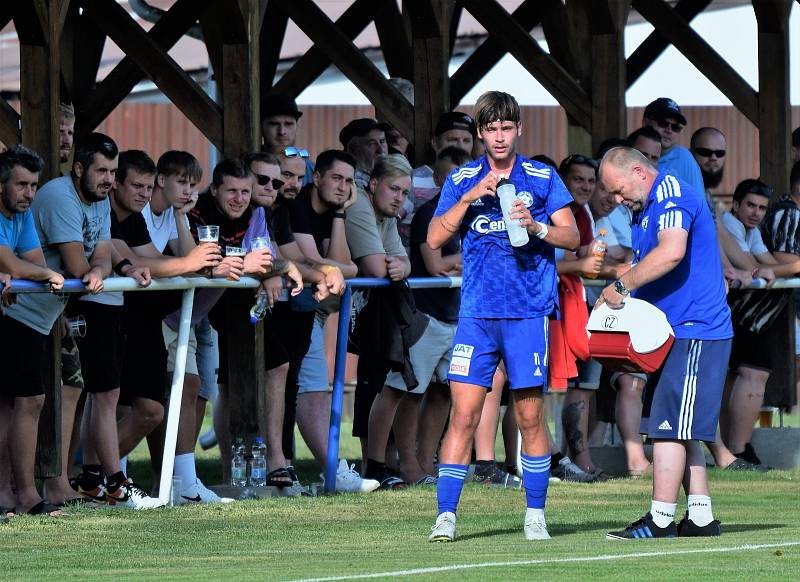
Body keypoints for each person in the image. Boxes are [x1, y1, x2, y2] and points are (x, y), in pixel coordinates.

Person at [427, 91, 579, 542]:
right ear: (479, 133)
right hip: (477, 315)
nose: (498, 137)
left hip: (527, 312)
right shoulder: (462, 178)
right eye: (490, 129)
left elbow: (572, 238)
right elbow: (435, 238)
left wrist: (536, 227)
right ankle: (446, 516)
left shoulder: (542, 176)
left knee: (530, 417)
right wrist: (471, 196)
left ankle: (535, 514)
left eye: (506, 128)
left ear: (519, 129)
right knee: (463, 415)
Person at [598, 146, 732, 539]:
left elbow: (671, 252)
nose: (618, 201)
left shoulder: (672, 193)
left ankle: (659, 519)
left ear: (639, 171)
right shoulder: (645, 205)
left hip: (694, 330)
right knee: (679, 427)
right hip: (670, 331)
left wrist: (621, 285)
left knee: (668, 430)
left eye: (620, 190)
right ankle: (701, 518)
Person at [108, 150, 222, 492]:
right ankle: (107, 479)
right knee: (127, 404)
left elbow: (177, 258)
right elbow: (151, 261)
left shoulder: (158, 214)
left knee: (171, 395)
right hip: (131, 313)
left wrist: (183, 220)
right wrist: (191, 264)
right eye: (182, 183)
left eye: (193, 185)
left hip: (153, 314)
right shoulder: (127, 212)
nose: (188, 191)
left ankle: (170, 482)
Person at [0, 145, 65, 517]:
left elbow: (29, 261)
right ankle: (24, 495)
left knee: (16, 403)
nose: (29, 194)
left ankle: (15, 495)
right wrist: (46, 275)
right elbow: (22, 265)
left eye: (34, 185)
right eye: (22, 185)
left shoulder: (21, 217)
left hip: (15, 319)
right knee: (26, 401)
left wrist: (27, 272)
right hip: (14, 321)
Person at [721, 179, 800, 468]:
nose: (756, 213)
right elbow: (749, 266)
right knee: (754, 374)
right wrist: (774, 269)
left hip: (742, 313)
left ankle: (732, 452)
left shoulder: (751, 231)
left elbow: (763, 264)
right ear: (736, 205)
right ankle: (739, 452)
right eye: (750, 205)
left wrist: (768, 269)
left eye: (761, 208)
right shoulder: (728, 225)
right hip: (739, 312)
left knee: (741, 377)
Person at [400, 112, 477, 247]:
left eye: (466, 140)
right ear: (435, 143)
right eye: (453, 139)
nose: (460, 146)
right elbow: (392, 220)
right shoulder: (413, 178)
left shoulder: (479, 181)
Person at [641, 98, 704, 193]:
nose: (669, 130)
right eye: (663, 123)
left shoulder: (685, 159)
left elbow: (699, 205)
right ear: (646, 123)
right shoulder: (627, 152)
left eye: (675, 127)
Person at [261, 94, 315, 185]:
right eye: (274, 124)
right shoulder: (247, 167)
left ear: (297, 127)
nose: (282, 132)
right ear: (261, 127)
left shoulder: (312, 171)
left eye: (288, 124)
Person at [340, 118, 390, 189]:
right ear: (353, 150)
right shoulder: (354, 183)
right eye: (372, 144)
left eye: (382, 141)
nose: (381, 150)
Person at [690, 127, 727, 196]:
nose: (713, 158)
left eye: (719, 153)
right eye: (706, 152)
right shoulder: (679, 188)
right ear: (691, 153)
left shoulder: (707, 192)